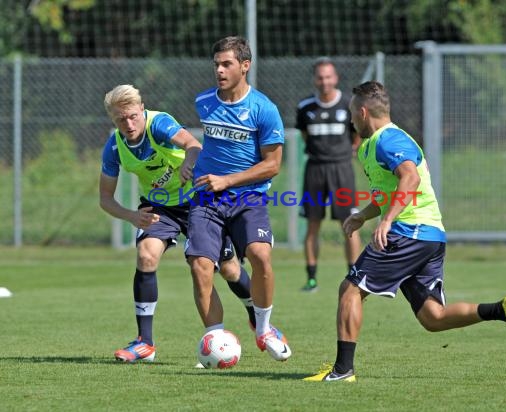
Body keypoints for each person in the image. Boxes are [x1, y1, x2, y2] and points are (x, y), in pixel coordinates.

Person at [304, 81, 506, 382]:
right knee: (433, 317)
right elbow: (388, 192)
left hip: (408, 231)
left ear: (363, 112)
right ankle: (502, 309)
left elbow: (410, 178)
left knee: (350, 289)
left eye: (352, 113)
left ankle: (342, 370)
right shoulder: (372, 146)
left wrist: (387, 221)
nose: (350, 120)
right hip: (429, 235)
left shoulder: (389, 140)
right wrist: (364, 215)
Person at [100, 84, 265, 363]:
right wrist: (131, 215)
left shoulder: (159, 123)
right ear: (113, 120)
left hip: (197, 199)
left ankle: (256, 315)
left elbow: (194, 144)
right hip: (159, 207)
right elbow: (105, 198)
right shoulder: (115, 147)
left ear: (142, 109)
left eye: (132, 116)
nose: (128, 124)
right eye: (120, 119)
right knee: (146, 256)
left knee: (229, 269)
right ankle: (145, 343)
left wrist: (189, 161)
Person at [183, 36, 291, 361]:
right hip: (206, 197)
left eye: (227, 63)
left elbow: (272, 165)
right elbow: (204, 146)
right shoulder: (204, 101)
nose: (219, 70)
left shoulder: (264, 110)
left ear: (245, 66)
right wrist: (191, 161)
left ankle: (264, 329)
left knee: (260, 256)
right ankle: (215, 341)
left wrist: (227, 180)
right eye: (216, 63)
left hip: (247, 199)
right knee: (201, 266)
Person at [295, 57, 361, 292]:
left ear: (336, 78)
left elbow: (357, 135)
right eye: (320, 77)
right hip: (315, 169)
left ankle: (354, 275)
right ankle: (311, 278)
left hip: (342, 169)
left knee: (350, 223)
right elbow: (304, 135)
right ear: (315, 79)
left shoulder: (348, 104)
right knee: (313, 225)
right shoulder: (305, 108)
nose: (324, 82)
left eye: (328, 77)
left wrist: (348, 151)